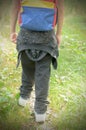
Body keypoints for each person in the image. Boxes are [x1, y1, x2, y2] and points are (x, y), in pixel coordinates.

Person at [10, 0, 64, 122]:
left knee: (27, 66)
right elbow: (61, 7)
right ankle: (40, 110)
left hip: (25, 35)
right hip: (47, 36)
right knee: (43, 74)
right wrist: (59, 33)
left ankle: (24, 96)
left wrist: (12, 30)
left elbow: (15, 6)